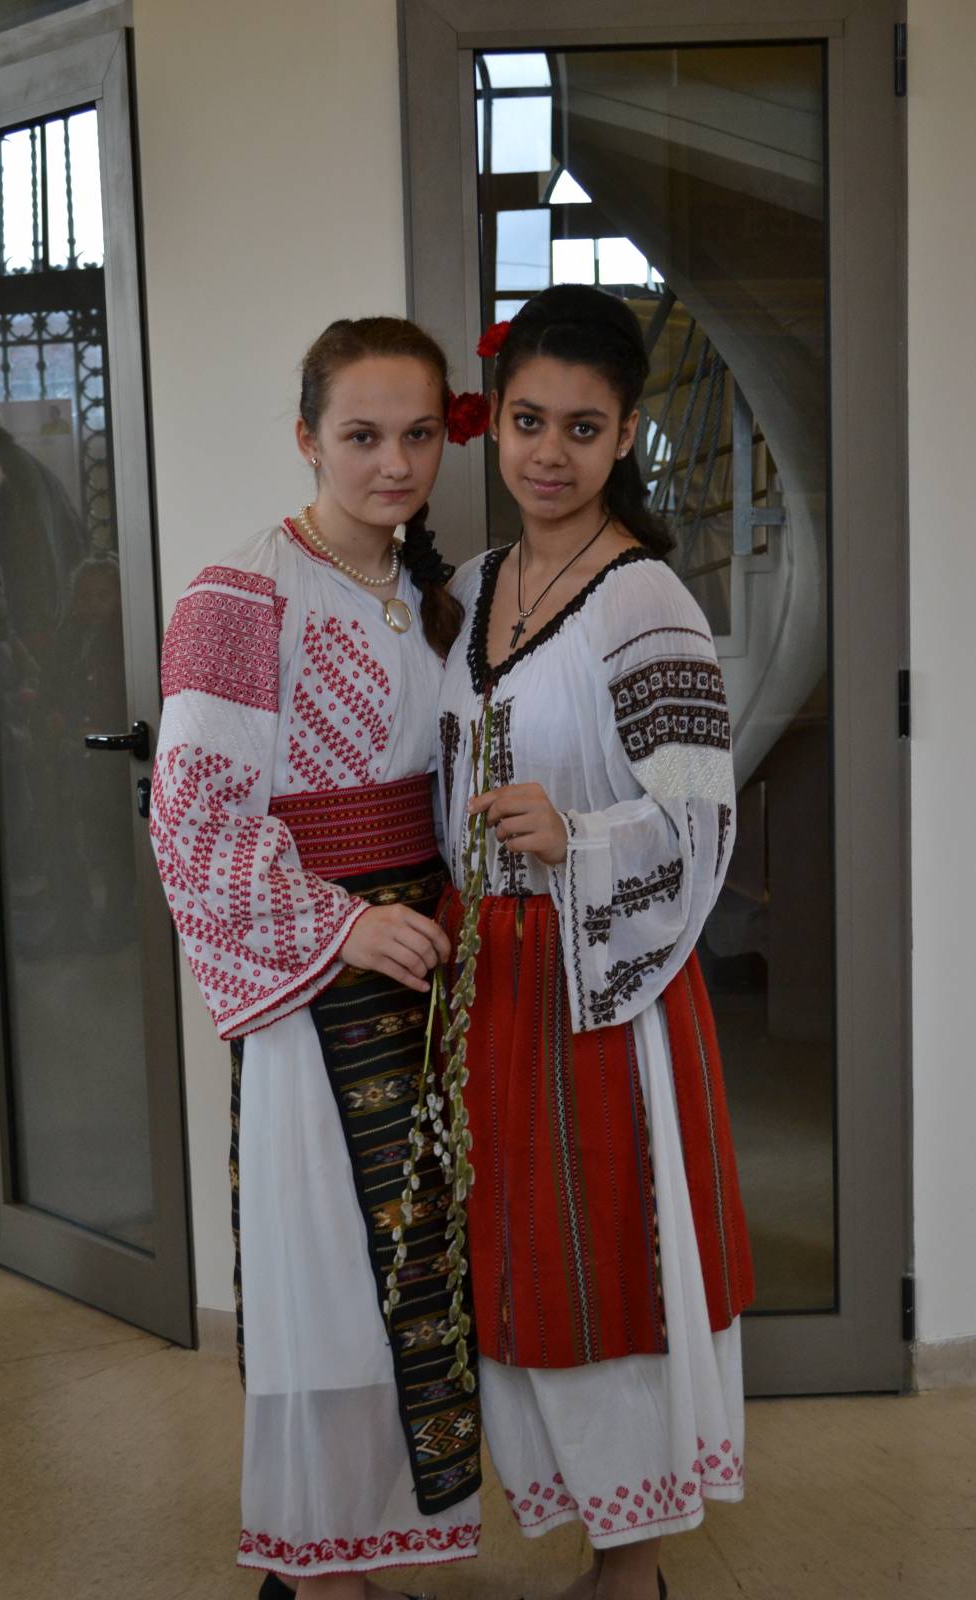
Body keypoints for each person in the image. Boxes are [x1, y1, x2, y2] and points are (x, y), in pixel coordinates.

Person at [150, 318, 487, 1600]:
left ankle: (368, 1543)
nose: (393, 463)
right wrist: (342, 924)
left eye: (417, 435)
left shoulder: (434, 593)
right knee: (324, 1271)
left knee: (410, 1260)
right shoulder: (240, 594)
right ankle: (319, 1569)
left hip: (426, 955)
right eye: (360, 435)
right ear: (306, 438)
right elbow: (191, 812)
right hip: (317, 969)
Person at [435, 284, 754, 1600]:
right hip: (488, 980)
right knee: (515, 1264)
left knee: (611, 1252)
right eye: (527, 421)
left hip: (601, 987)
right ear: (493, 422)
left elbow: (701, 818)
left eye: (582, 426)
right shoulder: (468, 588)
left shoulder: (645, 602)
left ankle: (634, 1566)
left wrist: (574, 838)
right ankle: (580, 1522)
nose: (549, 453)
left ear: (625, 435)